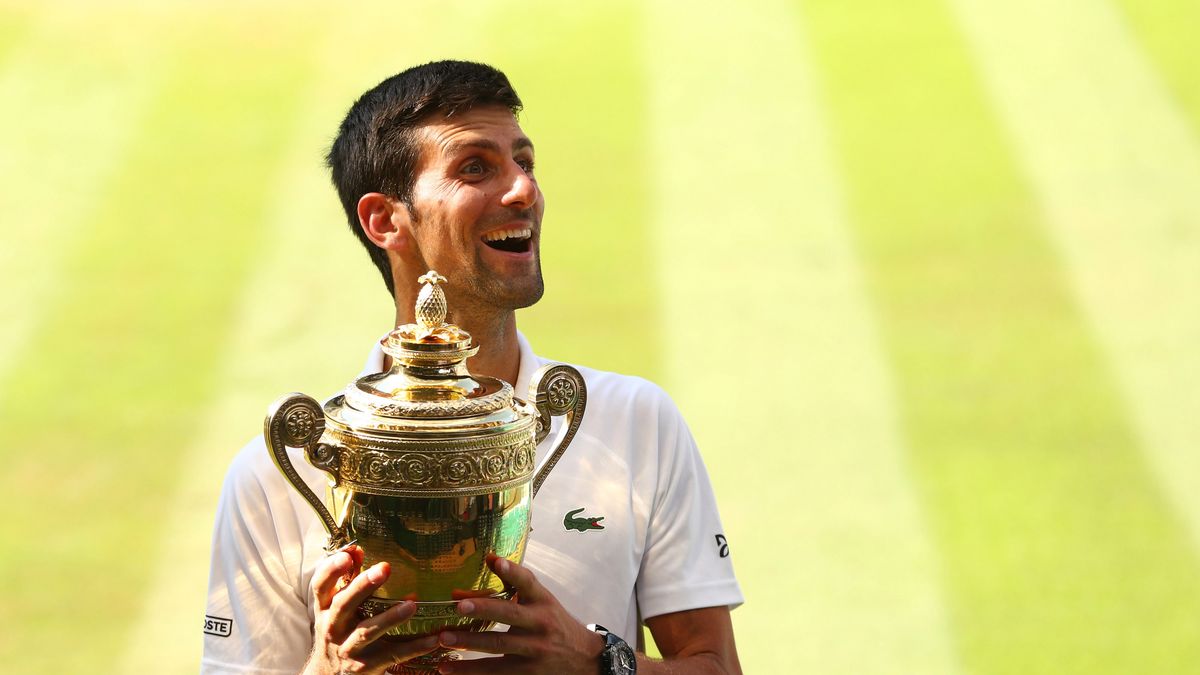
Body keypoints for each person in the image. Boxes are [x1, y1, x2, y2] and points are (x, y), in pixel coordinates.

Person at [203, 60, 743, 675]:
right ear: (385, 220)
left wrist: (595, 662)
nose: (523, 190)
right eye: (475, 168)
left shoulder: (638, 422)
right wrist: (328, 671)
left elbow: (716, 667)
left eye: (525, 162)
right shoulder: (275, 473)